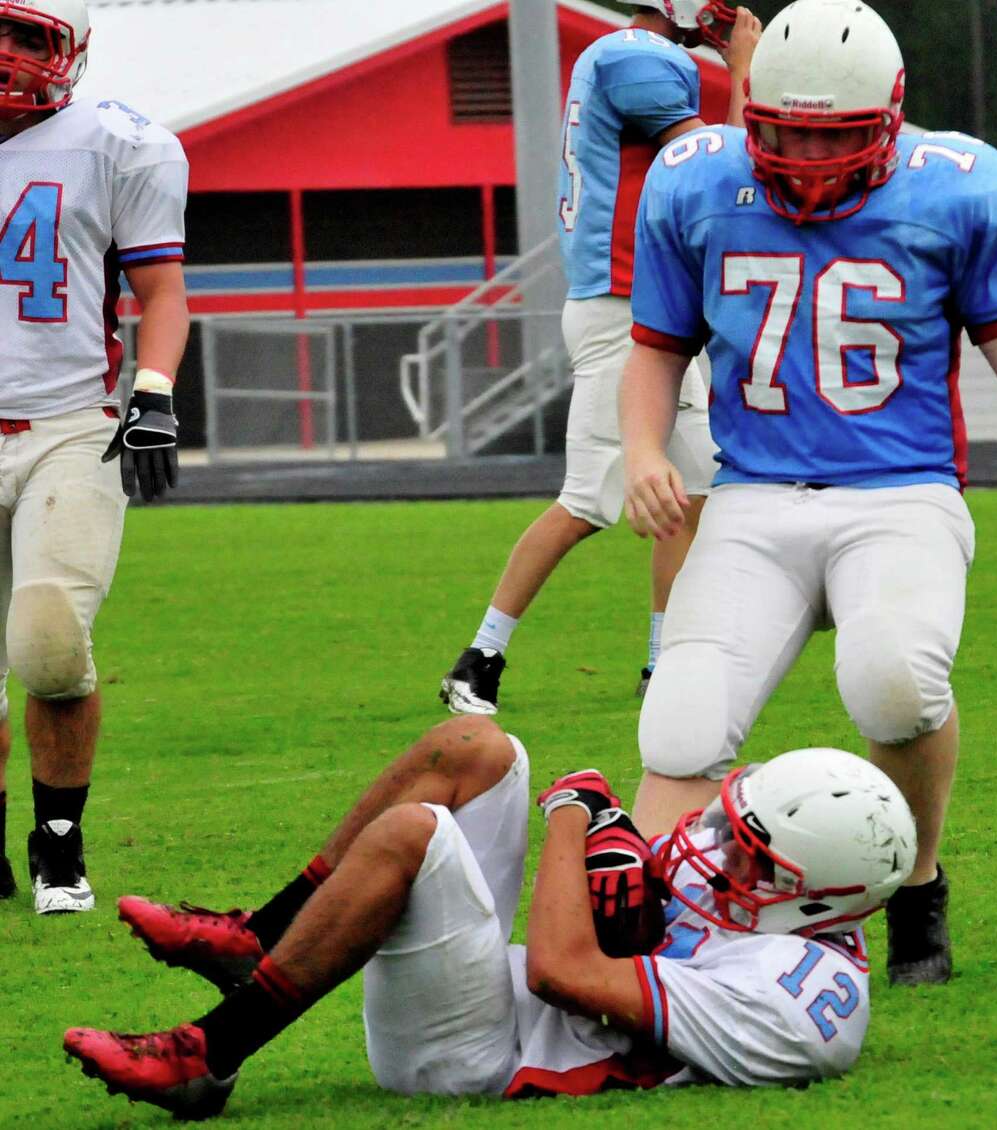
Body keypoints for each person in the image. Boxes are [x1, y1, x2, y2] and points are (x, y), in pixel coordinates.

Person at [620, 0, 997, 986]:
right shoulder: (694, 182)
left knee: (894, 678)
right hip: (753, 492)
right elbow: (657, 347)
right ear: (748, 107)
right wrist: (645, 449)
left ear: (890, 120)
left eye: (836, 136)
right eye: (786, 131)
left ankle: (916, 883)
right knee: (682, 719)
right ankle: (651, 930)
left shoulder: (959, 187)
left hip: (901, 490)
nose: (809, 156)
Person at [63, 715, 916, 1117]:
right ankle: (267, 936)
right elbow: (638, 914)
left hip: (481, 1057)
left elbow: (563, 969)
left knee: (415, 834)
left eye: (742, 851)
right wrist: (610, 844)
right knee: (475, 747)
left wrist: (575, 817)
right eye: (730, 823)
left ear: (816, 899)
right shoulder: (770, 894)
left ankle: (210, 1055)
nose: (711, 847)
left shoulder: (790, 1001)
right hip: (492, 1002)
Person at [439, 2, 761, 716]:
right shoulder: (635, 59)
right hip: (622, 311)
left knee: (703, 487)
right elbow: (725, 171)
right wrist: (740, 70)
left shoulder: (625, 58)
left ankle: (663, 661)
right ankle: (479, 659)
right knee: (588, 501)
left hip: (647, 308)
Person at [0, 0, 188, 913]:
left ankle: (59, 843)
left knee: (46, 642)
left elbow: (161, 287)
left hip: (68, 424)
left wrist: (152, 393)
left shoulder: (119, 143)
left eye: (25, 36)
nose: (5, 53)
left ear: (66, 50)